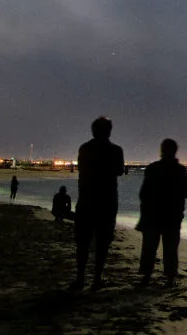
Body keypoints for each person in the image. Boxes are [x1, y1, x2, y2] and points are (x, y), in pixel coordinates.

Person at [72, 116, 125, 291]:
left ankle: (80, 277)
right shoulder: (116, 150)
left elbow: (82, 169)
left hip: (86, 199)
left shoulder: (85, 148)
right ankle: (96, 278)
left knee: (83, 242)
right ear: (109, 131)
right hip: (107, 201)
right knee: (102, 243)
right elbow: (118, 171)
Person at [137, 138, 187, 286]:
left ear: (162, 151)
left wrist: (144, 212)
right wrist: (180, 213)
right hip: (172, 215)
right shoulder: (181, 171)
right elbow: (183, 195)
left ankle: (146, 276)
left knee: (149, 247)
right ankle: (170, 278)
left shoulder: (153, 168)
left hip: (153, 213)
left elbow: (143, 193)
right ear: (175, 151)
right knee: (171, 248)